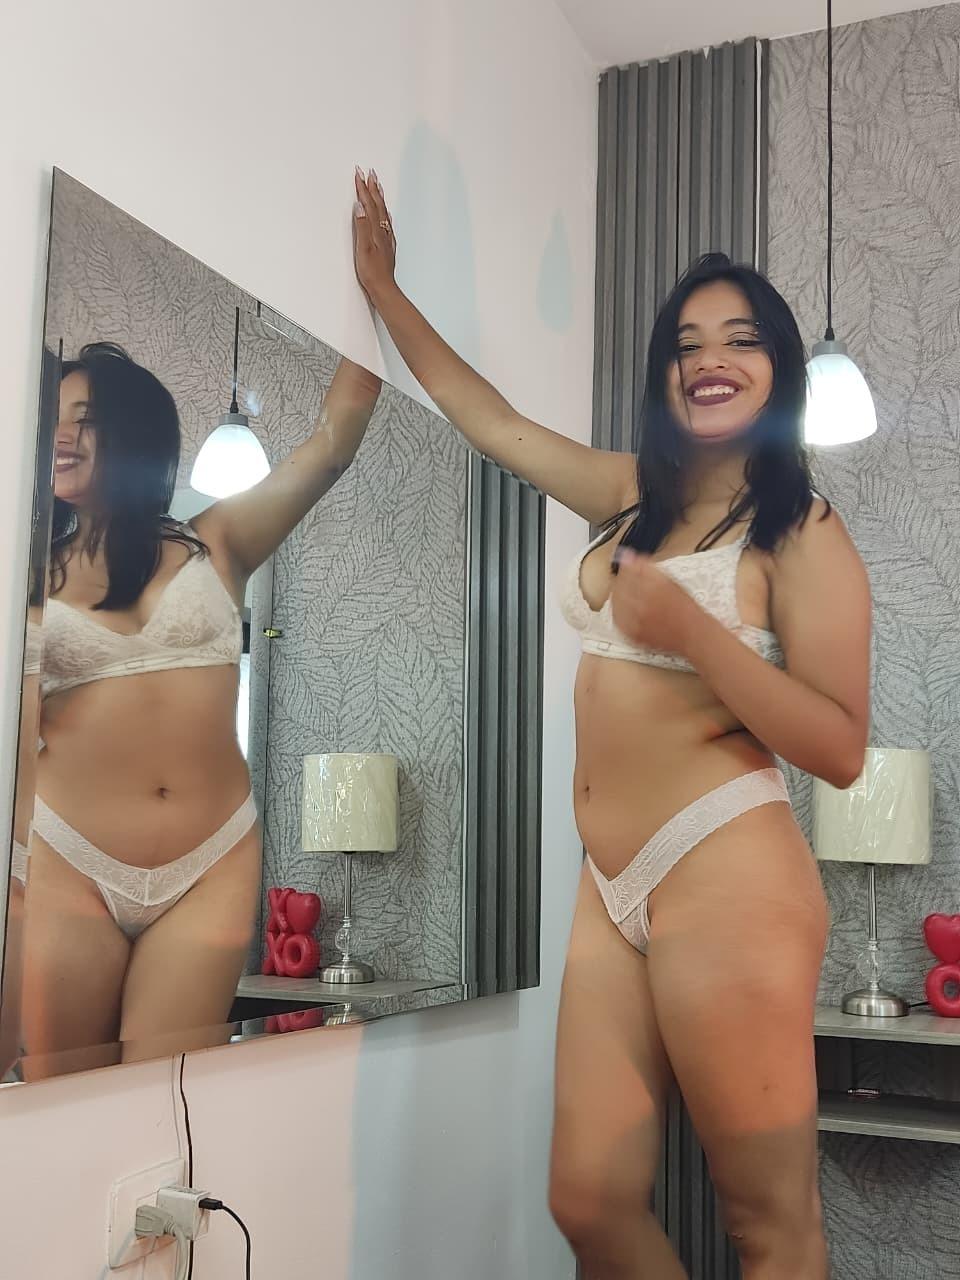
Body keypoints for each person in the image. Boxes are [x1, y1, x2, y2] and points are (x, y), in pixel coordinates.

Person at [350, 168, 870, 1279]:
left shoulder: (800, 527)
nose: (709, 360)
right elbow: (494, 424)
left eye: (739, 341)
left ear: (778, 369)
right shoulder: (631, 493)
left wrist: (695, 632)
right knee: (587, 1200)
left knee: (769, 1226)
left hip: (727, 864)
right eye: (686, 344)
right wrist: (386, 294)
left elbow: (839, 747)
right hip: (609, 881)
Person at [21, 340, 381, 1071]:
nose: (62, 436)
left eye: (85, 418)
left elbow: (331, 445)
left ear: (135, 432)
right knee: (62, 1095)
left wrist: (371, 304)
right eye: (52, 420)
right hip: (69, 857)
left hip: (208, 862)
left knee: (169, 1092)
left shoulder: (216, 541)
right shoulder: (24, 576)